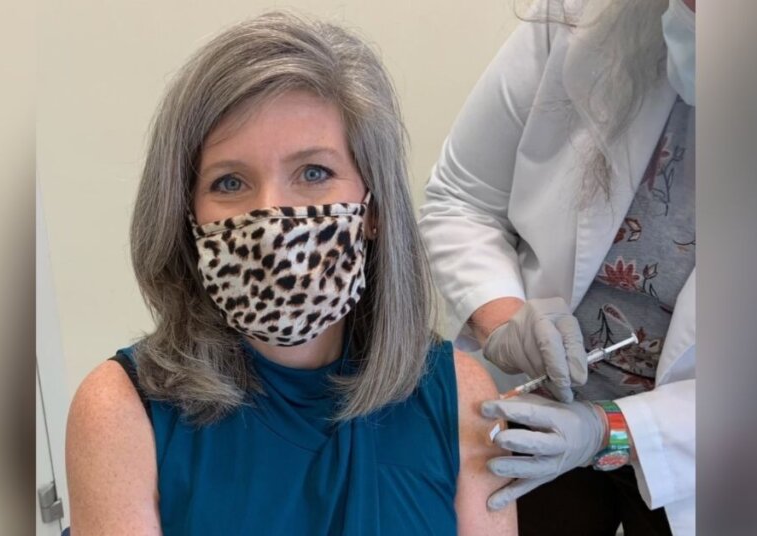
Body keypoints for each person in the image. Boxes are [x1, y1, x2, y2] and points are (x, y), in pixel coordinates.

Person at [65, 11, 517, 536]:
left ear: (373, 209)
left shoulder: (458, 394)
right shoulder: (121, 411)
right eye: (230, 182)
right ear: (187, 215)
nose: (272, 216)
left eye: (314, 173)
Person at [419, 0, 696, 534]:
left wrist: (607, 430)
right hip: (534, 404)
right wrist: (503, 321)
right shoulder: (585, 15)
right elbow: (462, 198)